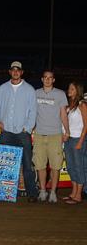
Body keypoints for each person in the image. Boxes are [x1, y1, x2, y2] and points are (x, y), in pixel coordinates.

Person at [0, 61, 38, 203]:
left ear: (22, 72)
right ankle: (0, 191)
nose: (16, 72)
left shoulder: (30, 89)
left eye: (18, 70)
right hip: (6, 132)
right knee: (3, 163)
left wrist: (28, 128)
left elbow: (33, 111)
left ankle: (32, 193)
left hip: (22, 132)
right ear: (10, 72)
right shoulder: (2, 88)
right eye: (13, 70)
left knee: (27, 164)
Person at [33, 70, 70, 203]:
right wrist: (30, 128)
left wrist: (67, 131)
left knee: (55, 166)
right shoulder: (35, 93)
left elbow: (63, 114)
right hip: (39, 134)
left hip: (55, 135)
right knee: (40, 165)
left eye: (50, 78)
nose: (48, 80)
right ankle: (43, 190)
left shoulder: (60, 94)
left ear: (54, 80)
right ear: (42, 79)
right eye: (45, 77)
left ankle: (53, 192)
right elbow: (31, 112)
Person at [63, 82, 87, 204]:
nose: (69, 90)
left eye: (72, 88)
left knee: (79, 167)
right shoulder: (69, 105)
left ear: (78, 90)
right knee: (71, 166)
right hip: (68, 139)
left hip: (78, 139)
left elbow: (86, 125)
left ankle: (79, 195)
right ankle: (73, 192)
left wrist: (81, 141)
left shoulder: (82, 105)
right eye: (69, 88)